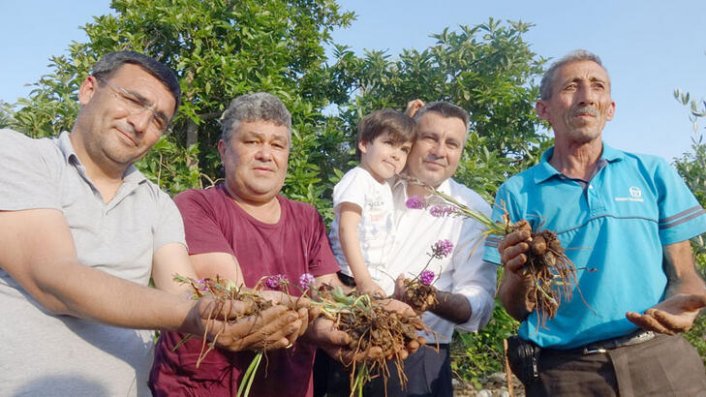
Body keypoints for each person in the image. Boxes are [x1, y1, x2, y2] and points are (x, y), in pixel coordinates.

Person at [0, 52, 305, 396]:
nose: (141, 123)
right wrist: (194, 313)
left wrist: (257, 307)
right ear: (88, 89)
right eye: (132, 100)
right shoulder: (19, 155)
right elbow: (51, 277)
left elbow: (184, 291)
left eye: (159, 120)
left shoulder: (158, 204)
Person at [149, 93, 417, 397]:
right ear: (223, 151)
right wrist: (316, 326)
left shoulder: (306, 217)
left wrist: (373, 311)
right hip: (202, 389)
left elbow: (327, 289)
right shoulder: (195, 205)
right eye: (252, 142)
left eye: (277, 144)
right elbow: (236, 303)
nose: (266, 154)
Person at [484, 49, 706, 396]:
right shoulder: (517, 193)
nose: (587, 97)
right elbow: (515, 307)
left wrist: (687, 302)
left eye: (598, 86)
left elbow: (684, 276)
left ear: (610, 108)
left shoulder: (652, 173)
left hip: (659, 358)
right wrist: (517, 274)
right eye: (572, 87)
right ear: (544, 109)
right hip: (567, 373)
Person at [328, 109, 416, 297]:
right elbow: (347, 229)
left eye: (404, 149)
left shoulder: (382, 183)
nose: (396, 155)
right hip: (349, 275)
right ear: (364, 144)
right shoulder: (357, 179)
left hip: (368, 278)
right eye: (389, 143)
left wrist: (408, 115)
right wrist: (363, 280)